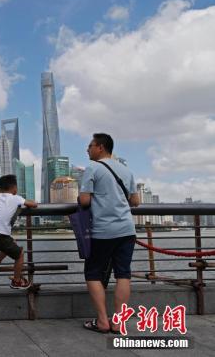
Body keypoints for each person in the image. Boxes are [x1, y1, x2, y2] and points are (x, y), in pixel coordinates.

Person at [79, 133, 140, 334]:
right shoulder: (126, 169)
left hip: (103, 231)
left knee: (93, 273)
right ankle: (118, 322)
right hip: (127, 230)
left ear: (101, 148)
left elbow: (85, 201)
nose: (87, 149)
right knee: (123, 273)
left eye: (90, 146)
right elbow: (135, 201)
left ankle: (103, 321)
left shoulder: (92, 168)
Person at [0, 174, 38, 289]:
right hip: (0, 236)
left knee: (10, 243)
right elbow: (34, 205)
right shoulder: (16, 198)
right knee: (20, 254)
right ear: (14, 188)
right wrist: (33, 202)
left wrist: (0, 192)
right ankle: (17, 281)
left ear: (0, 188)